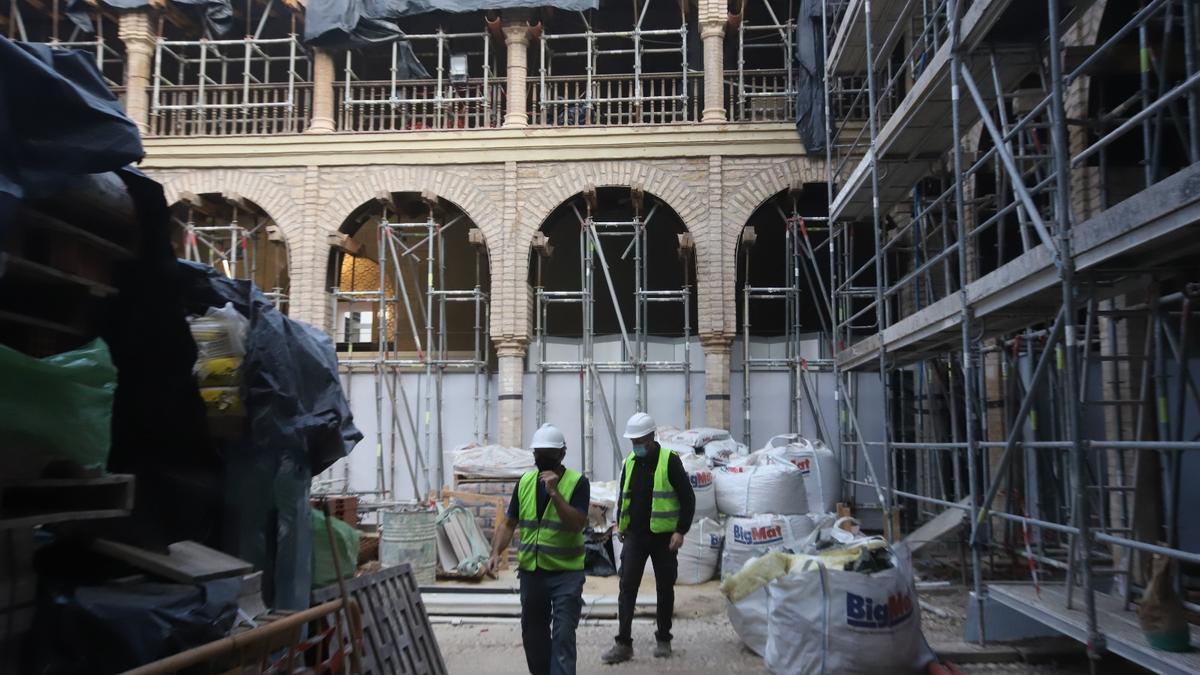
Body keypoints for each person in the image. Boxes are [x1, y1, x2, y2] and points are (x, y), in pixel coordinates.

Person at [489, 423, 590, 675]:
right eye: (538, 453)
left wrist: (555, 493)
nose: (542, 458)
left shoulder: (578, 483)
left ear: (562, 454)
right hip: (532, 574)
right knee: (533, 638)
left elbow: (576, 524)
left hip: (566, 575)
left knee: (563, 636)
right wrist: (494, 553)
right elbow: (509, 523)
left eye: (548, 454)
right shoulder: (524, 482)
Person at [601, 412, 695, 664]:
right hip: (635, 536)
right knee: (627, 588)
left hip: (664, 539)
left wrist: (680, 531)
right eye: (633, 441)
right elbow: (624, 492)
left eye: (640, 441)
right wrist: (621, 521)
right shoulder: (631, 461)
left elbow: (688, 498)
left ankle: (663, 639)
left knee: (665, 588)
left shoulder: (670, 461)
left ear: (652, 438)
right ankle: (623, 643)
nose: (636, 446)